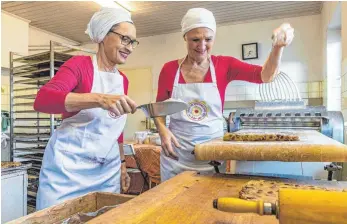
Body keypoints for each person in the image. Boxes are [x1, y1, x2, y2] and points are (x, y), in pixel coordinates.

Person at [154, 8, 294, 182]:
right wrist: (162, 130)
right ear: (185, 38)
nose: (202, 45)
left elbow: (265, 76)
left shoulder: (224, 65)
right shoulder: (169, 70)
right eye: (195, 40)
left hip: (212, 156)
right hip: (176, 155)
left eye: (208, 39)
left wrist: (278, 47)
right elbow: (158, 109)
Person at [34, 7, 139, 210]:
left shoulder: (122, 80)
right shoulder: (79, 65)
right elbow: (43, 100)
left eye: (133, 42)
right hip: (68, 171)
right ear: (103, 35)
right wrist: (99, 99)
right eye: (125, 39)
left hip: (105, 171)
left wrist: (122, 164)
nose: (130, 47)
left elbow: (115, 129)